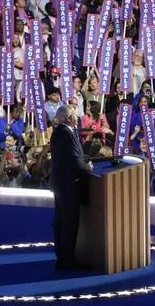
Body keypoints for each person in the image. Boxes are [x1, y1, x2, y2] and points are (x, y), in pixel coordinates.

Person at [50, 105, 94, 270]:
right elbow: (74, 162)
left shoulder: (61, 132)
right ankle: (67, 260)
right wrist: (88, 167)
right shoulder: (65, 134)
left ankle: (62, 256)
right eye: (75, 115)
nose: (78, 117)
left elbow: (74, 156)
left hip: (61, 183)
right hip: (68, 184)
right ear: (69, 118)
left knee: (62, 221)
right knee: (68, 222)